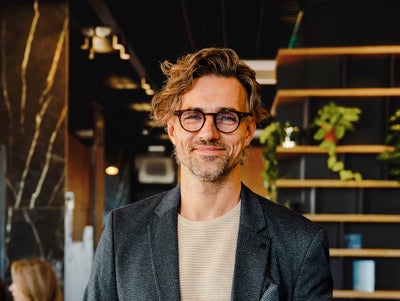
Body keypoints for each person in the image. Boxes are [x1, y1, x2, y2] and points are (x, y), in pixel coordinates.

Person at [84, 47, 333, 300]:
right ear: (172, 129)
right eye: (193, 116)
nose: (208, 133)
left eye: (226, 117)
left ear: (248, 131)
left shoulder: (300, 243)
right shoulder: (123, 232)